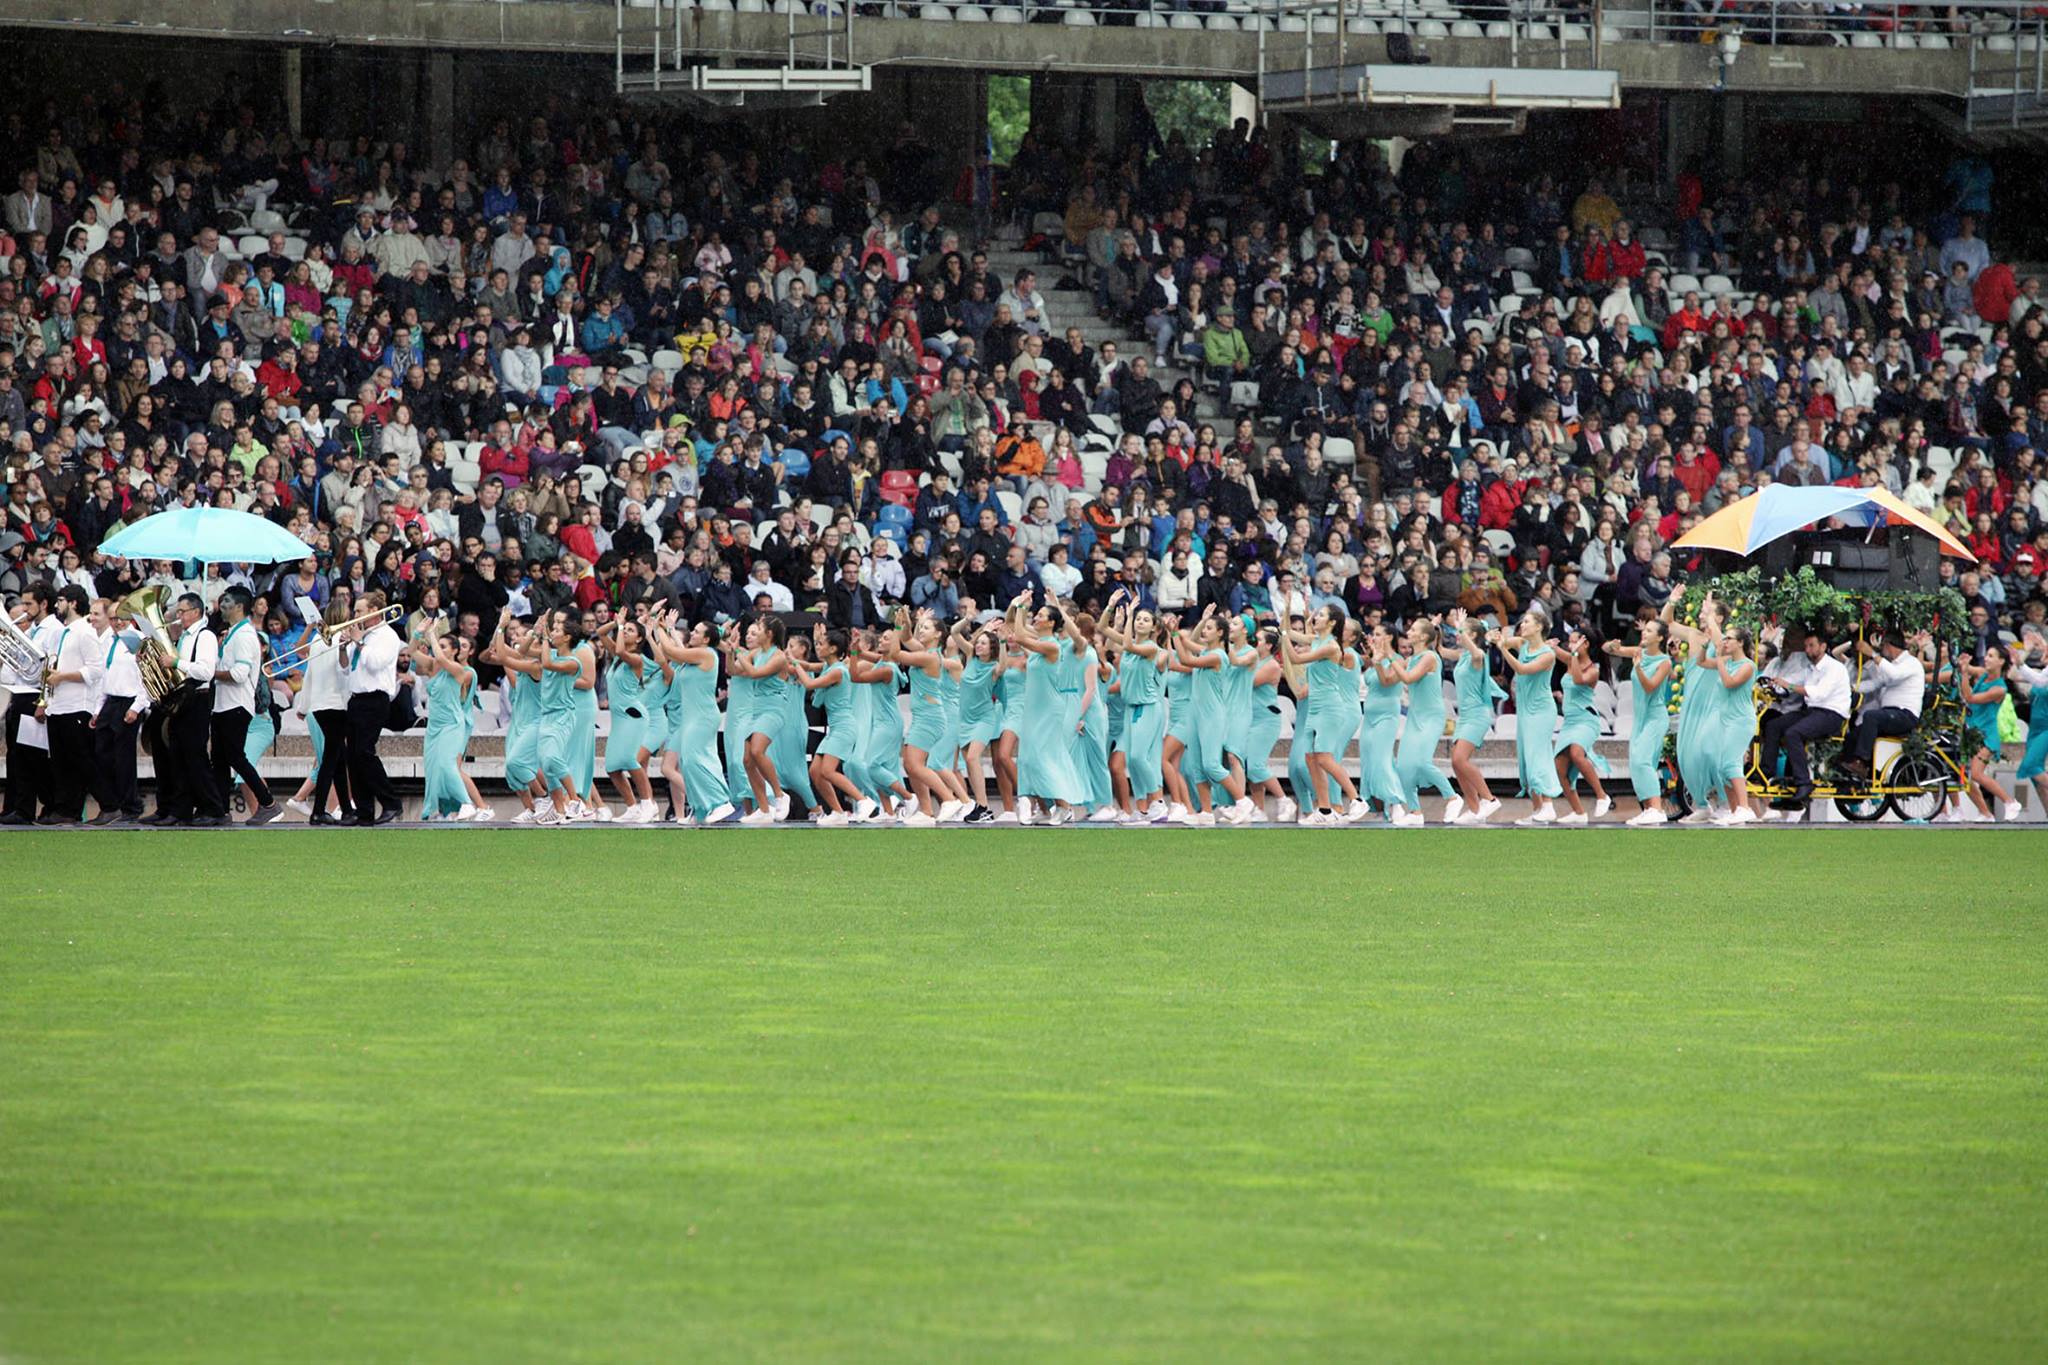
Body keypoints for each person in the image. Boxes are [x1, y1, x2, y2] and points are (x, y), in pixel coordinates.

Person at [1008, 594, 1089, 825]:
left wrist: (1022, 607)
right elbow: (1016, 628)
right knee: (1029, 758)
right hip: (1034, 709)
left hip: (1049, 710)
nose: (1037, 617)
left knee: (1046, 757)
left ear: (1052, 623)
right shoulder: (1040, 645)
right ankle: (1039, 805)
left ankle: (1063, 807)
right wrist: (1017, 606)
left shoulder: (1052, 646)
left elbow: (1020, 636)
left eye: (1041, 615)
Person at [148, 592, 227, 827]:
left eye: (182, 612)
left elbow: (205, 671)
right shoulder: (186, 636)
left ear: (195, 612)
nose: (178, 616)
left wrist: (176, 663)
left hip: (197, 699)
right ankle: (181, 809)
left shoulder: (205, 637)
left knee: (195, 757)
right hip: (184, 699)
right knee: (179, 756)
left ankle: (213, 808)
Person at [649, 614, 736, 825]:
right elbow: (679, 653)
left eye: (697, 631)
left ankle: (721, 801)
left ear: (706, 639)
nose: (693, 633)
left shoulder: (706, 653)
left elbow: (670, 651)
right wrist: (668, 628)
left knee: (697, 759)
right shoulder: (696, 654)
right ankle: (700, 809)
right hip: (693, 717)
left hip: (703, 716)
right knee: (687, 762)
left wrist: (655, 624)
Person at [1755, 627, 1851, 817]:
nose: (1808, 650)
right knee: (1774, 725)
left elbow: (1818, 692)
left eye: (1811, 645)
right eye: (1806, 646)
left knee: (1794, 733)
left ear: (1823, 647)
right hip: (1812, 711)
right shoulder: (1809, 668)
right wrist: (1777, 684)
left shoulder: (1834, 668)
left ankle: (1803, 782)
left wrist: (1789, 685)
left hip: (1831, 714)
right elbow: (1792, 683)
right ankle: (1766, 772)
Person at [1283, 609, 1365, 826]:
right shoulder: (1318, 641)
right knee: (1310, 759)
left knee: (1325, 757)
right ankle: (1325, 810)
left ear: (1331, 622)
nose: (1315, 617)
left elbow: (1295, 657)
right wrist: (1287, 612)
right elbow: (1293, 634)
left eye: (1321, 615)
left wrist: (1282, 635)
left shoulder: (1331, 646)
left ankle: (1356, 799)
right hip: (1315, 708)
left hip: (1331, 707)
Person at [211, 586, 281, 825]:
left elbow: (240, 673)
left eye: (227, 601)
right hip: (223, 705)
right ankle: (221, 811)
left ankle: (268, 803)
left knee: (235, 757)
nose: (222, 605)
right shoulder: (233, 633)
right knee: (220, 759)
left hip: (236, 705)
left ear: (240, 606)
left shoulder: (244, 635)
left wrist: (212, 673)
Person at [1603, 621, 1675, 827]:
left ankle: (1657, 809)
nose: (1644, 633)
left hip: (1655, 717)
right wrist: (1612, 645)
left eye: (1650, 631)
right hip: (1641, 718)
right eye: (1645, 629)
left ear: (1660, 638)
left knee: (1644, 761)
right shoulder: (1638, 651)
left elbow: (1651, 687)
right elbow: (1607, 649)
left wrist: (1638, 667)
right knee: (1636, 764)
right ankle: (1648, 809)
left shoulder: (1664, 662)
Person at [1493, 613, 1562, 826]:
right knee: (1526, 757)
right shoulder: (1523, 643)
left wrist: (1502, 649)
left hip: (1541, 710)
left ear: (1540, 626)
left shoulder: (1547, 654)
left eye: (1527, 622)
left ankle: (1548, 805)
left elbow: (1523, 670)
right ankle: (1538, 809)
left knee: (1537, 755)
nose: (1522, 625)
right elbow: (1504, 639)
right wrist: (1494, 636)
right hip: (1525, 709)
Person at [341, 591, 404, 826]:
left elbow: (376, 664)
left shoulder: (387, 635)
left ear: (373, 611)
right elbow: (346, 669)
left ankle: (391, 803)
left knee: (364, 753)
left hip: (375, 698)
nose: (354, 615)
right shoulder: (363, 635)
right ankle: (364, 810)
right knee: (353, 757)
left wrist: (358, 641)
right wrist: (342, 647)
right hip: (356, 698)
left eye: (359, 611)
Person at [37, 585, 97, 824]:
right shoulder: (62, 632)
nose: (56, 605)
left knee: (77, 760)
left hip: (76, 704)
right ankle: (63, 809)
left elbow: (94, 670)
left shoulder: (85, 632)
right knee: (60, 762)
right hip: (58, 704)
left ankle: (76, 808)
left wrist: (62, 677)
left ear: (73, 603)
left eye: (60, 600)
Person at [1441, 608, 1505, 825]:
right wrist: (1435, 629)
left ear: (1473, 636)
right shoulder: (1463, 655)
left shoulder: (1478, 656)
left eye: (1463, 632)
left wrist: (1461, 627)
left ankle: (1489, 798)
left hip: (1478, 715)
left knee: (1459, 758)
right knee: (1456, 763)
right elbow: (1440, 650)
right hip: (1465, 716)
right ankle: (1474, 808)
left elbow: (1476, 651)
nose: (1458, 635)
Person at [1389, 617, 1454, 823]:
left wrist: (1390, 656)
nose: (1410, 631)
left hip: (1431, 716)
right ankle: (1415, 812)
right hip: (1415, 716)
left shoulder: (1429, 657)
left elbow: (1408, 678)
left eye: (1414, 629)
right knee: (1403, 766)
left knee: (1421, 762)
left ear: (1424, 637)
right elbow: (1396, 674)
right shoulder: (1413, 659)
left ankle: (1452, 797)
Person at [89, 600, 149, 825]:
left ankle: (130, 806)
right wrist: (98, 709)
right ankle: (112, 803)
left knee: (123, 758)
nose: (116, 623)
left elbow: (146, 678)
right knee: (102, 754)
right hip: (110, 701)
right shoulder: (109, 641)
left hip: (129, 701)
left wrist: (136, 707)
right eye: (113, 618)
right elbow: (105, 677)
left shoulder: (137, 640)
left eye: (120, 618)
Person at [297, 601, 356, 824]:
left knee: (338, 759)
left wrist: (303, 706)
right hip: (336, 704)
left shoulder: (316, 639)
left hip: (319, 705)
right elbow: (344, 670)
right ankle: (318, 810)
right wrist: (344, 647)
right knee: (331, 760)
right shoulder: (342, 638)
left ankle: (347, 809)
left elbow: (309, 674)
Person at [1838, 628, 1925, 780]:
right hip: (1889, 714)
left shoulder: (1912, 663)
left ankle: (1861, 761)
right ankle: (1849, 767)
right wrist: (1850, 687)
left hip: (1905, 715)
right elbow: (1875, 683)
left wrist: (1872, 654)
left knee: (1871, 717)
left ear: (1889, 646)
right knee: (1854, 733)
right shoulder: (1892, 665)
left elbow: (1894, 674)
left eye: (1883, 647)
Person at [413, 627, 481, 821]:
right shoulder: (434, 665)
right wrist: (418, 634)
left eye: (444, 646)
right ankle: (442, 809)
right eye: (439, 646)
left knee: (447, 764)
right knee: (434, 768)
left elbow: (442, 660)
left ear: (454, 651)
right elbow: (412, 652)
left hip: (452, 723)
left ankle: (467, 803)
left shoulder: (461, 670)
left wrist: (432, 636)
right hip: (434, 725)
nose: (439, 650)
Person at [3, 586, 58, 824]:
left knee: (30, 758)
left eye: (28, 604)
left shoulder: (53, 629)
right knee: (17, 756)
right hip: (20, 694)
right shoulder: (35, 629)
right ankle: (16, 807)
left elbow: (51, 665)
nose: (24, 610)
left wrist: (44, 702)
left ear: (43, 604)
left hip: (34, 697)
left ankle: (29, 809)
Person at [1359, 624, 1418, 825]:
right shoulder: (1373, 657)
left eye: (1378, 634)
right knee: (1368, 759)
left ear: (1389, 637)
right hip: (1369, 716)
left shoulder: (1399, 660)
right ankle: (1378, 805)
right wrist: (1373, 658)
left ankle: (1396, 803)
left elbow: (1386, 681)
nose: (1373, 637)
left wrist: (1377, 662)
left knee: (1382, 758)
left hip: (1387, 715)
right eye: (1373, 634)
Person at [600, 618, 658, 822]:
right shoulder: (617, 657)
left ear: (640, 638)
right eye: (625, 630)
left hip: (633, 715)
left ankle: (647, 804)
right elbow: (600, 632)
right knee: (612, 767)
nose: (625, 632)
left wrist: (622, 626)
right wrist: (616, 623)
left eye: (631, 631)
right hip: (619, 717)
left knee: (630, 760)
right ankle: (632, 807)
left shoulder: (637, 658)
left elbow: (621, 651)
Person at [1551, 629, 1611, 826]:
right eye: (1569, 642)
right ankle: (1578, 811)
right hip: (1569, 722)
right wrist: (1550, 645)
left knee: (1577, 753)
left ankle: (1602, 796)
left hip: (1586, 720)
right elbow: (1554, 651)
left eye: (1574, 642)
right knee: (1560, 768)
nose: (1570, 645)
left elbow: (1578, 680)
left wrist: (1574, 655)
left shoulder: (1592, 669)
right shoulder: (1571, 659)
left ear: (1585, 644)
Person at [1953, 647, 2018, 823]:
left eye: (1991, 656)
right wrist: (1964, 664)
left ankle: (2009, 801)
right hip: (1972, 732)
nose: (1986, 659)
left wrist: (1965, 673)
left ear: (2001, 661)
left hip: (1986, 735)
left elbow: (1970, 698)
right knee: (1963, 776)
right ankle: (1985, 813)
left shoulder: (1999, 689)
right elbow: (1970, 669)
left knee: (1976, 773)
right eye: (1987, 655)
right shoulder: (1983, 673)